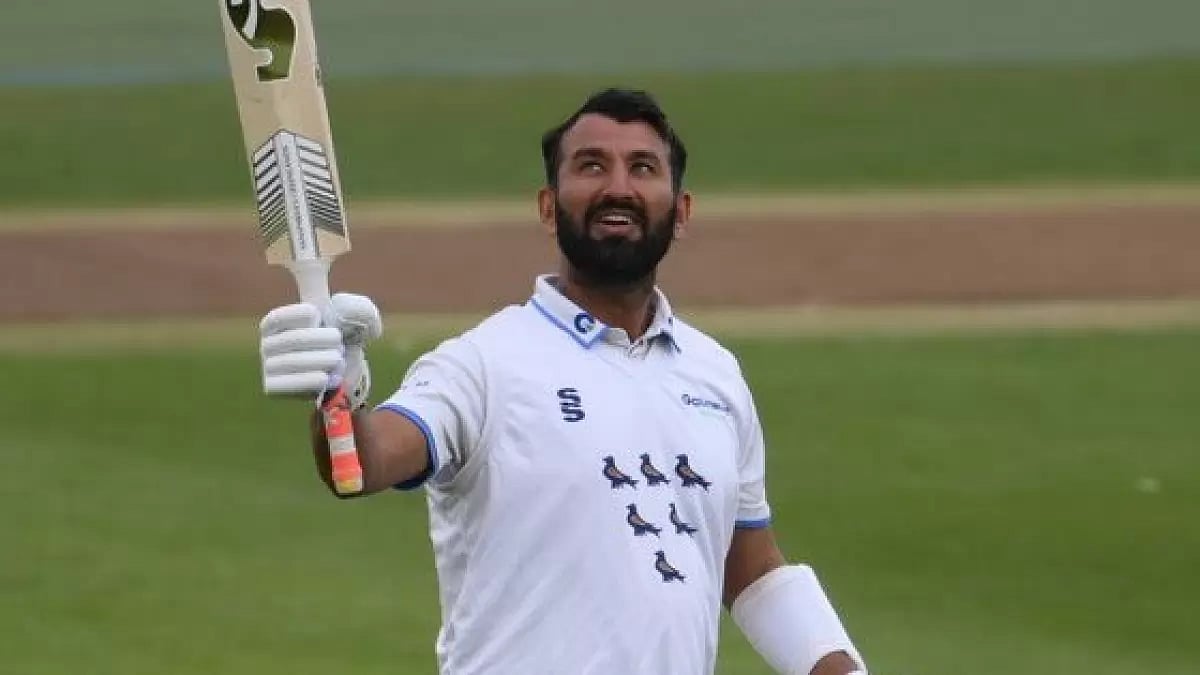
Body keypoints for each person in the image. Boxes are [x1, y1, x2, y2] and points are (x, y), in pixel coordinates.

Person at [257, 88, 869, 675]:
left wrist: (836, 666)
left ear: (680, 212)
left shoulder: (716, 377)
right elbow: (356, 468)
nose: (618, 188)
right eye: (591, 166)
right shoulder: (484, 364)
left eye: (643, 168)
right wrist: (339, 392)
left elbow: (750, 566)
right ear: (549, 206)